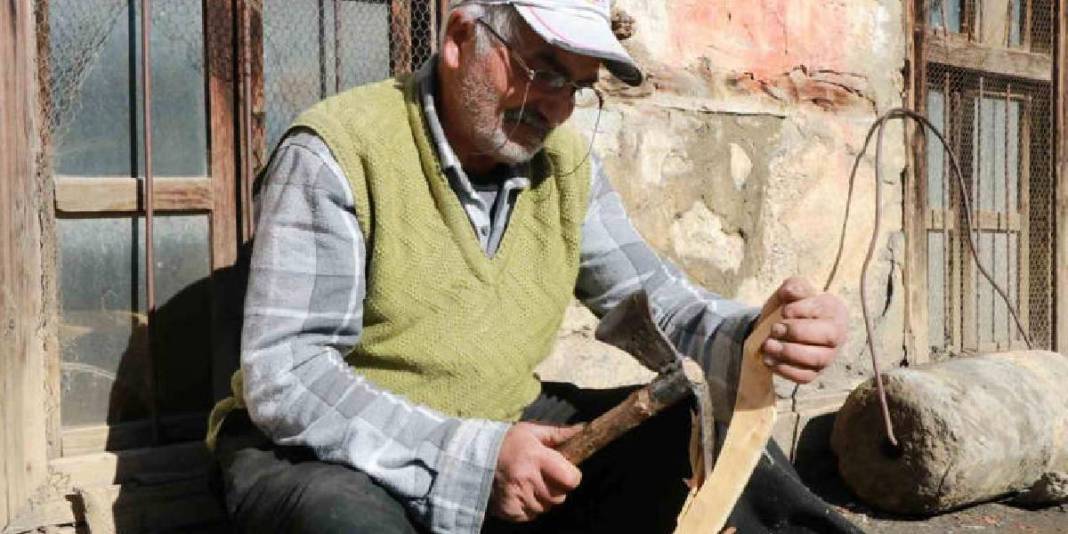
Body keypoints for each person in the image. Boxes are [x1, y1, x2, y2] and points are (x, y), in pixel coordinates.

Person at [206, 1, 853, 532]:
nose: (554, 106)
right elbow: (288, 376)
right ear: (462, 36)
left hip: (498, 423)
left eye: (576, 86)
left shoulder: (564, 166)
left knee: (696, 426)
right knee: (339, 520)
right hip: (320, 451)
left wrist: (764, 336)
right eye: (541, 70)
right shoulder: (336, 153)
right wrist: (474, 458)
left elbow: (661, 304)